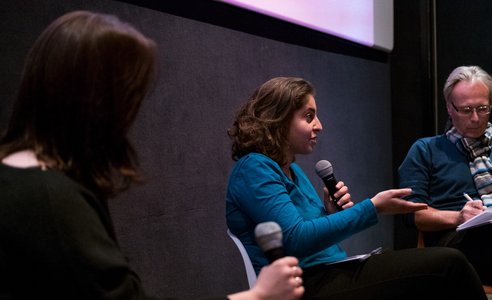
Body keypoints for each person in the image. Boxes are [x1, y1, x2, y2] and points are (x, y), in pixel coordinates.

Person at [0, 11, 304, 300]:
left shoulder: (28, 180)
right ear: (94, 101)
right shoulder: (50, 199)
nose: (128, 118)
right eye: (127, 98)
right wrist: (258, 295)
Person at [226, 76, 488, 299]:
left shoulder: (290, 168)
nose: (319, 125)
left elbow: (307, 234)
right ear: (279, 120)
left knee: (439, 272)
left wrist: (330, 213)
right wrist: (374, 207)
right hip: (304, 285)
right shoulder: (255, 168)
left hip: (330, 270)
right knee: (448, 264)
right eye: (309, 117)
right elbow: (295, 239)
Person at [398, 65, 492, 290]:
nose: (476, 118)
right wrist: (458, 217)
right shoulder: (426, 150)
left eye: (483, 108)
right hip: (456, 245)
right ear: (449, 108)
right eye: (466, 109)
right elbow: (412, 216)